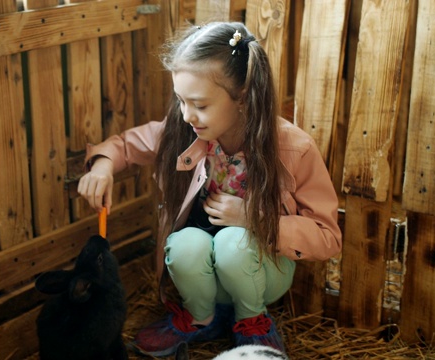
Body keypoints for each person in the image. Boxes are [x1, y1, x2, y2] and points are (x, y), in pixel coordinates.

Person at [77, 21, 342, 357]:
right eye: (181, 101)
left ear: (243, 98)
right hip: (201, 275)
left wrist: (254, 219)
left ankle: (252, 321)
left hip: (261, 271)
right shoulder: (184, 130)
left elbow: (327, 236)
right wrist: (102, 165)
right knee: (184, 244)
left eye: (200, 105)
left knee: (233, 243)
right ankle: (200, 317)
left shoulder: (294, 148)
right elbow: (127, 145)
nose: (187, 115)